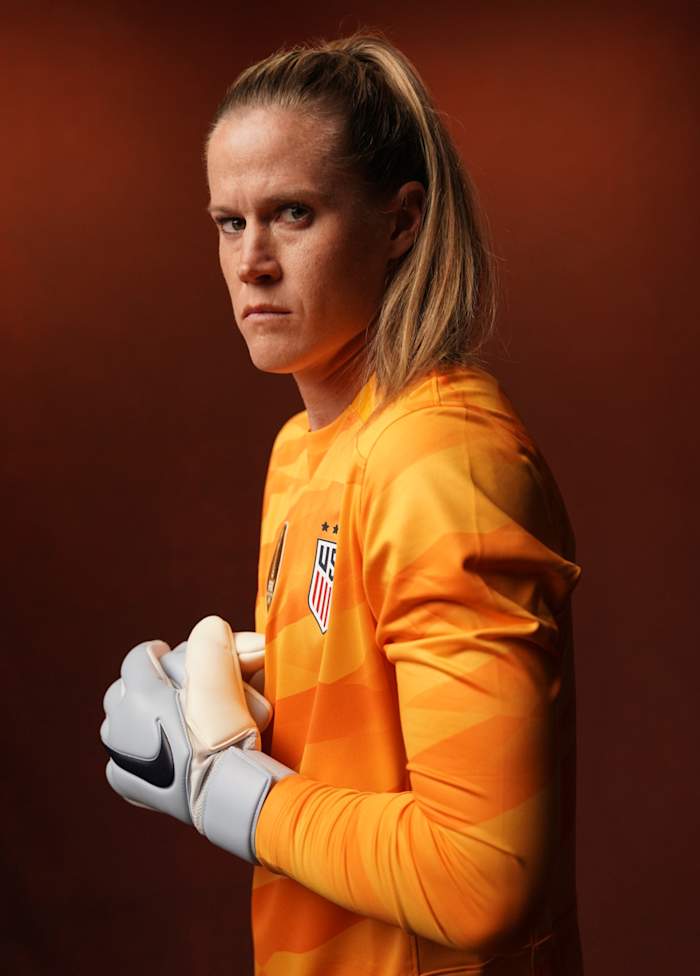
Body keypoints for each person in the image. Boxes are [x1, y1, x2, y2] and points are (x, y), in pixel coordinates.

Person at [100, 32, 583, 976]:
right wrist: (236, 708)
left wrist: (221, 791)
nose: (253, 263)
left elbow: (479, 879)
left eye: (293, 213)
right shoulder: (307, 448)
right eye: (228, 222)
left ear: (401, 222)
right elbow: (373, 727)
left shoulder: (444, 459)